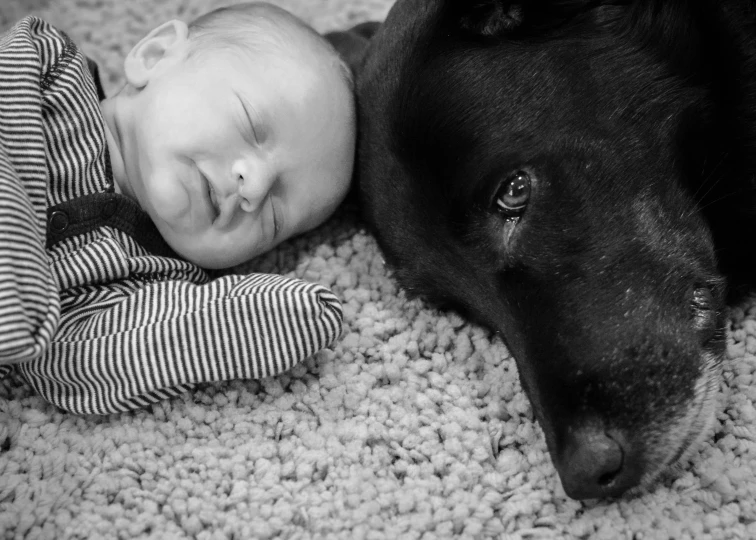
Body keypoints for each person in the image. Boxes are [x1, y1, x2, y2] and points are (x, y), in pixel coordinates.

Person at [0, 2, 355, 415]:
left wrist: (223, 325)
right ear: (155, 57)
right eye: (251, 124)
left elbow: (70, 369)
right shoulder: (51, 79)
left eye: (274, 216)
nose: (254, 185)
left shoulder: (149, 288)